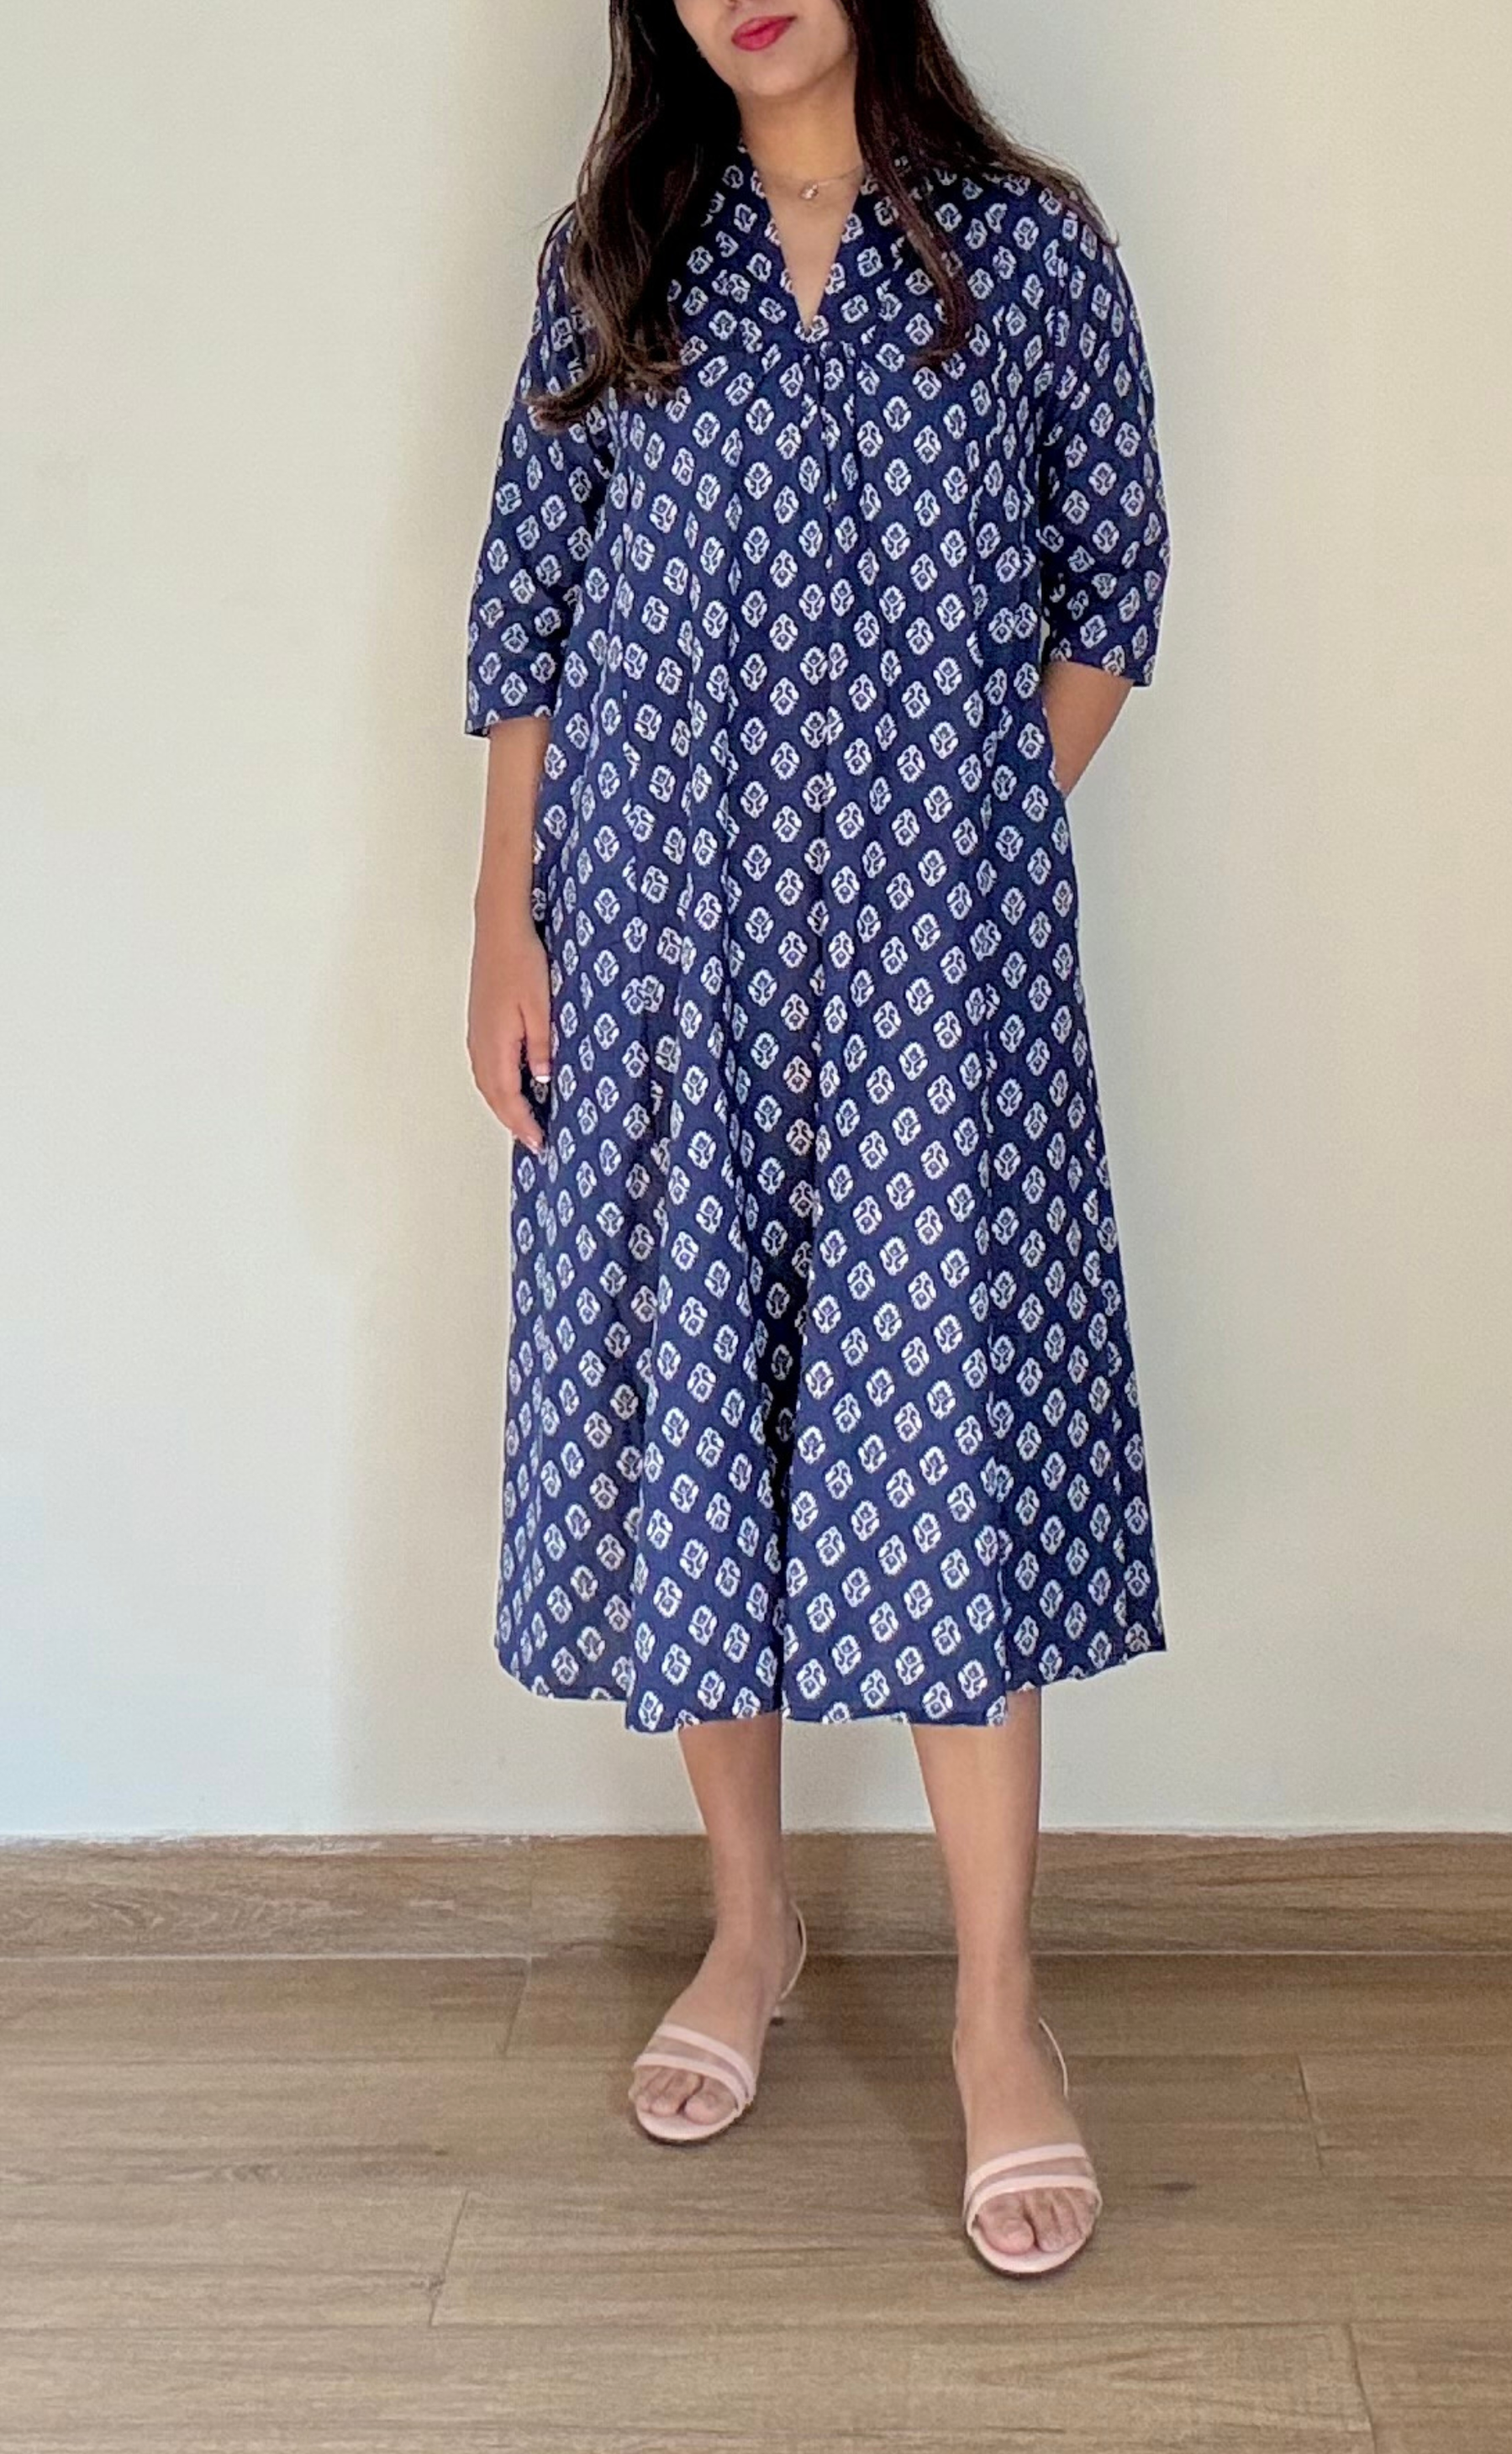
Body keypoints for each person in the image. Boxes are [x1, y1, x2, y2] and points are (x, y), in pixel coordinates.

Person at [463, 0, 1172, 2279]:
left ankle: (997, 2008)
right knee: (701, 1436)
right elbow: (529, 614)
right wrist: (505, 924)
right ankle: (750, 1922)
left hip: (930, 985)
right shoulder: (611, 256)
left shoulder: (1029, 252)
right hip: (656, 961)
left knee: (938, 1448)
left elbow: (1112, 592)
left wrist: (950, 845)